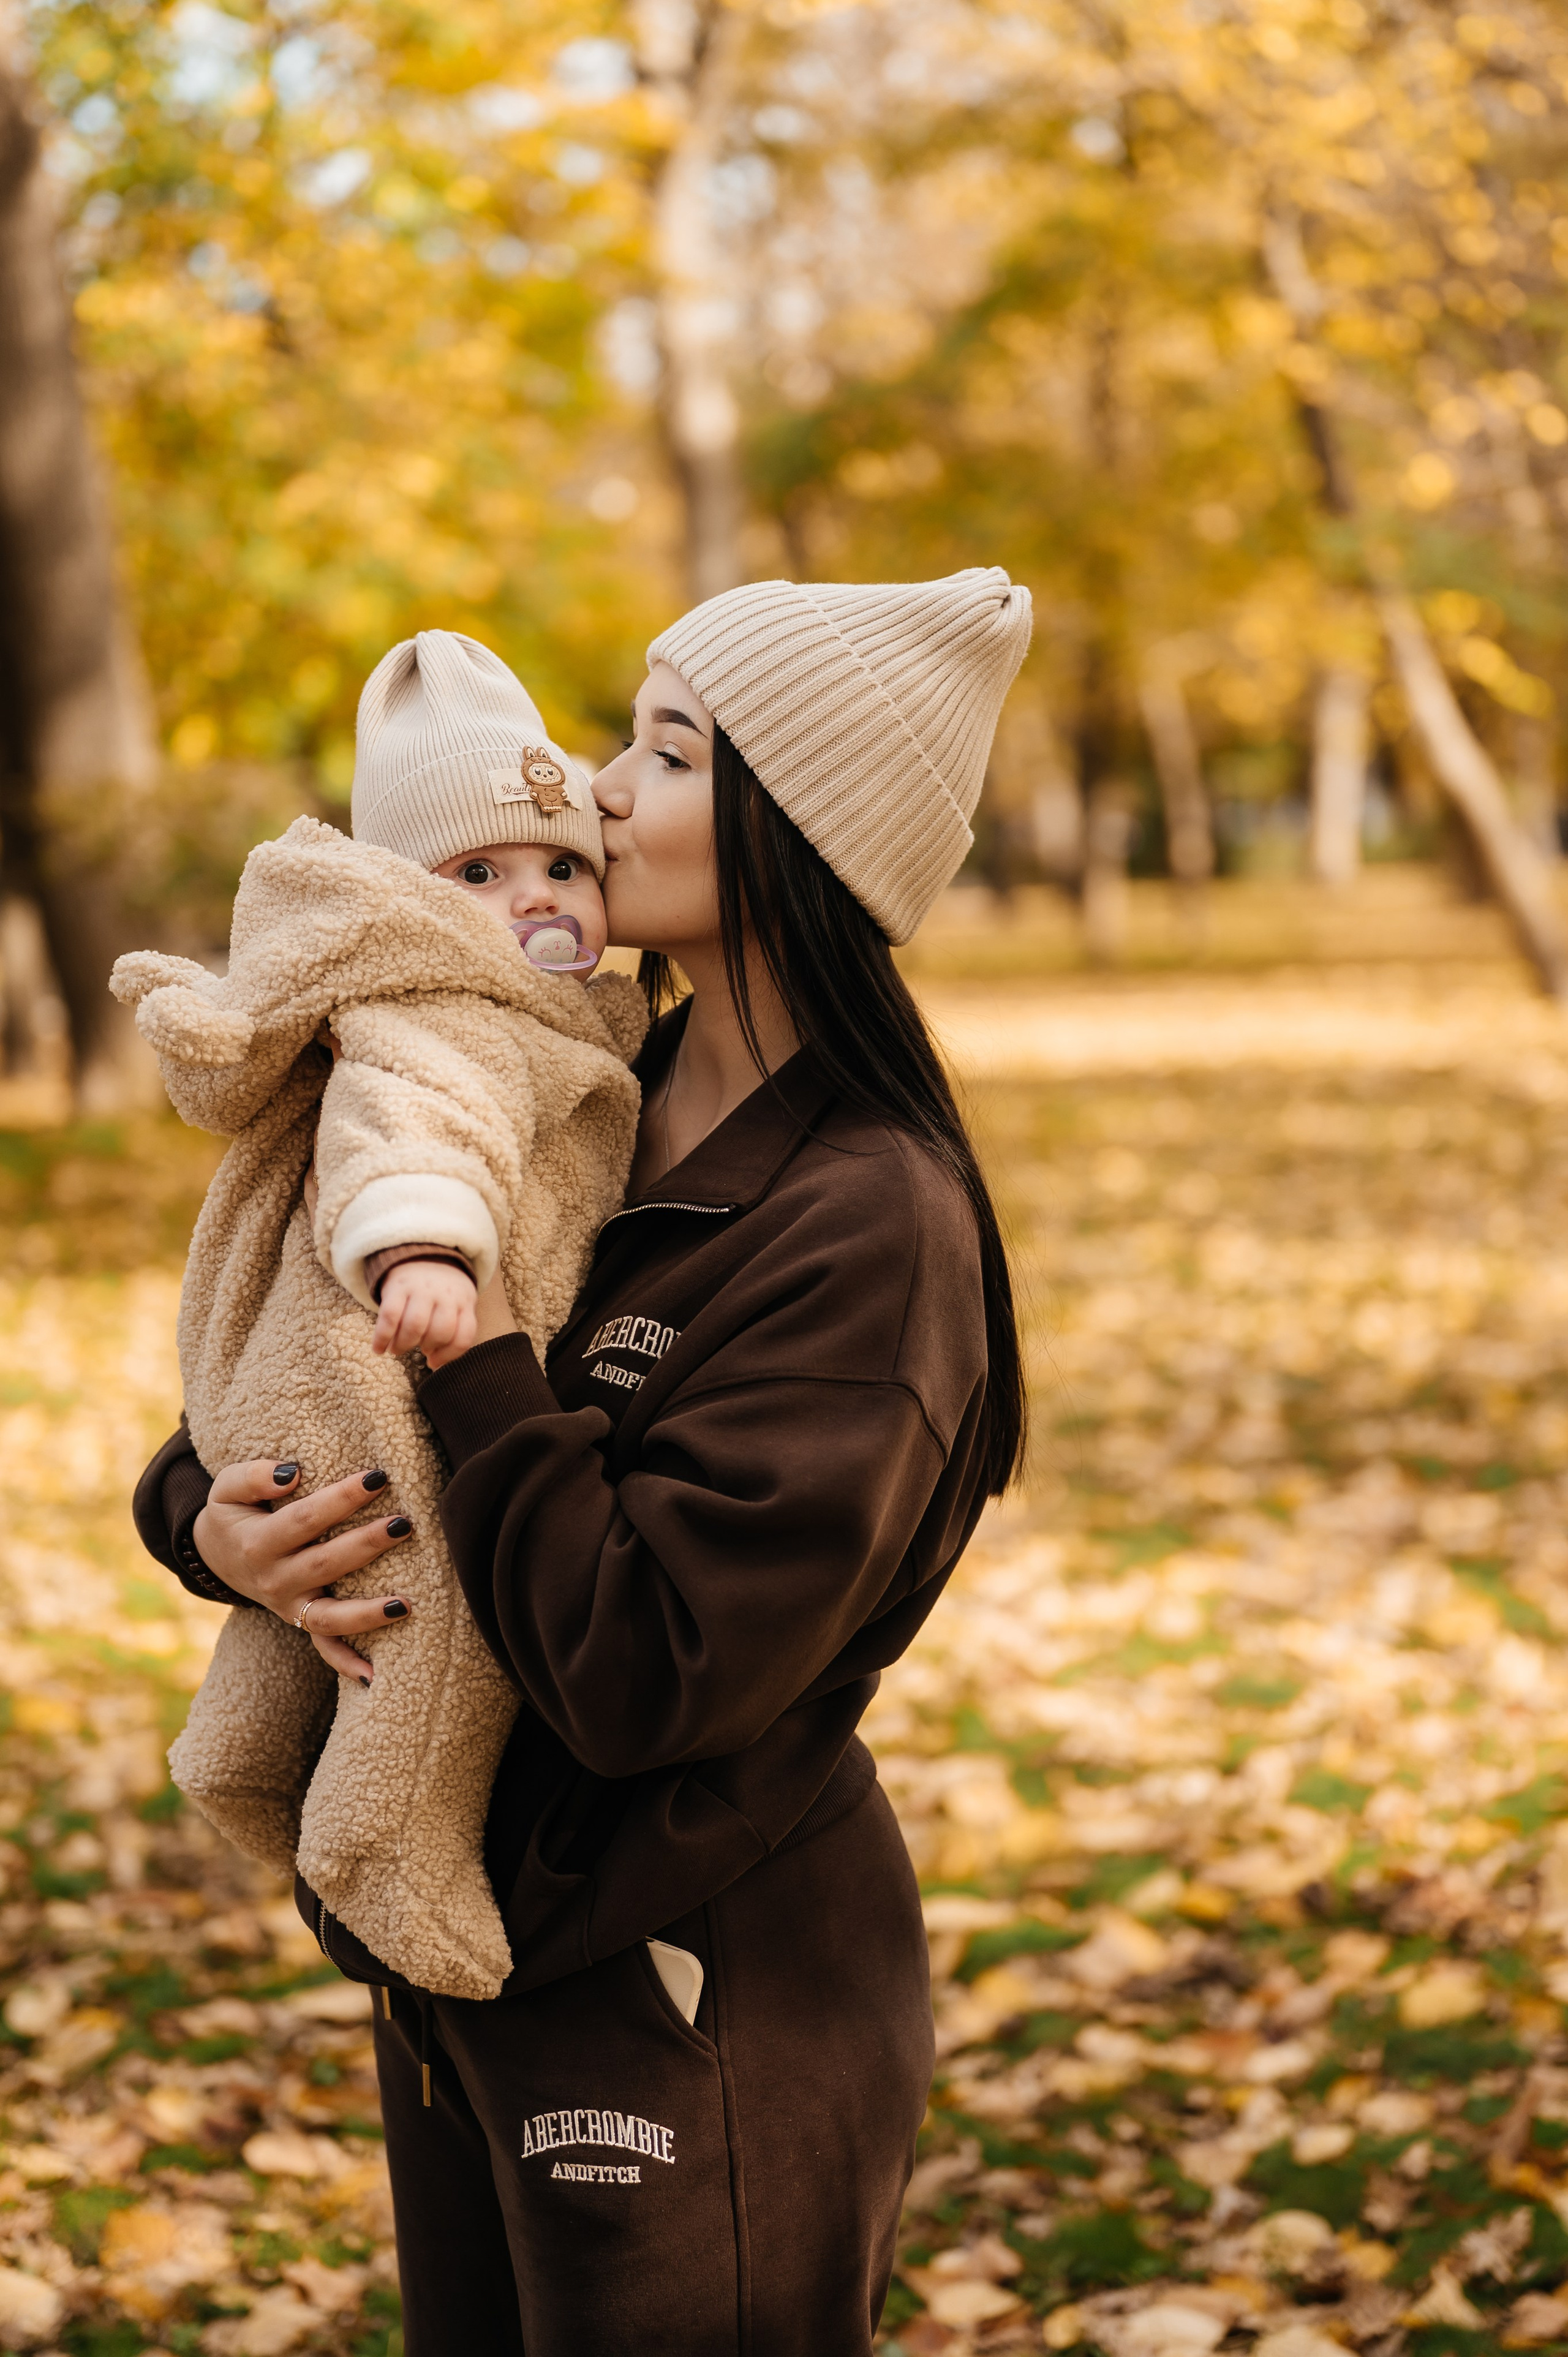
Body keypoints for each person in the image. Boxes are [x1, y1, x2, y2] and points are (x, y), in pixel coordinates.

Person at [133, 566, 1033, 2356]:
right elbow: (298, 1366)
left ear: (798, 831)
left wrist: (477, 1364)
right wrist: (209, 1525)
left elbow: (648, 1672)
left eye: (669, 752)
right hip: (476, 1958)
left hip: (697, 1985)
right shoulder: (575, 1076)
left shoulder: (868, 1222)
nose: (599, 786)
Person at [116, 630, 646, 2001]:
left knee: (331, 1588)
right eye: (479, 874)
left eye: (561, 865)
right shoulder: (438, 1004)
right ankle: (379, 1833)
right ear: (406, 898)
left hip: (321, 1357)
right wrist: (425, 1244)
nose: (534, 899)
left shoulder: (537, 1003)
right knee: (435, 1599)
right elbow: (414, 1122)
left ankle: (241, 1745)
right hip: (396, 1336)